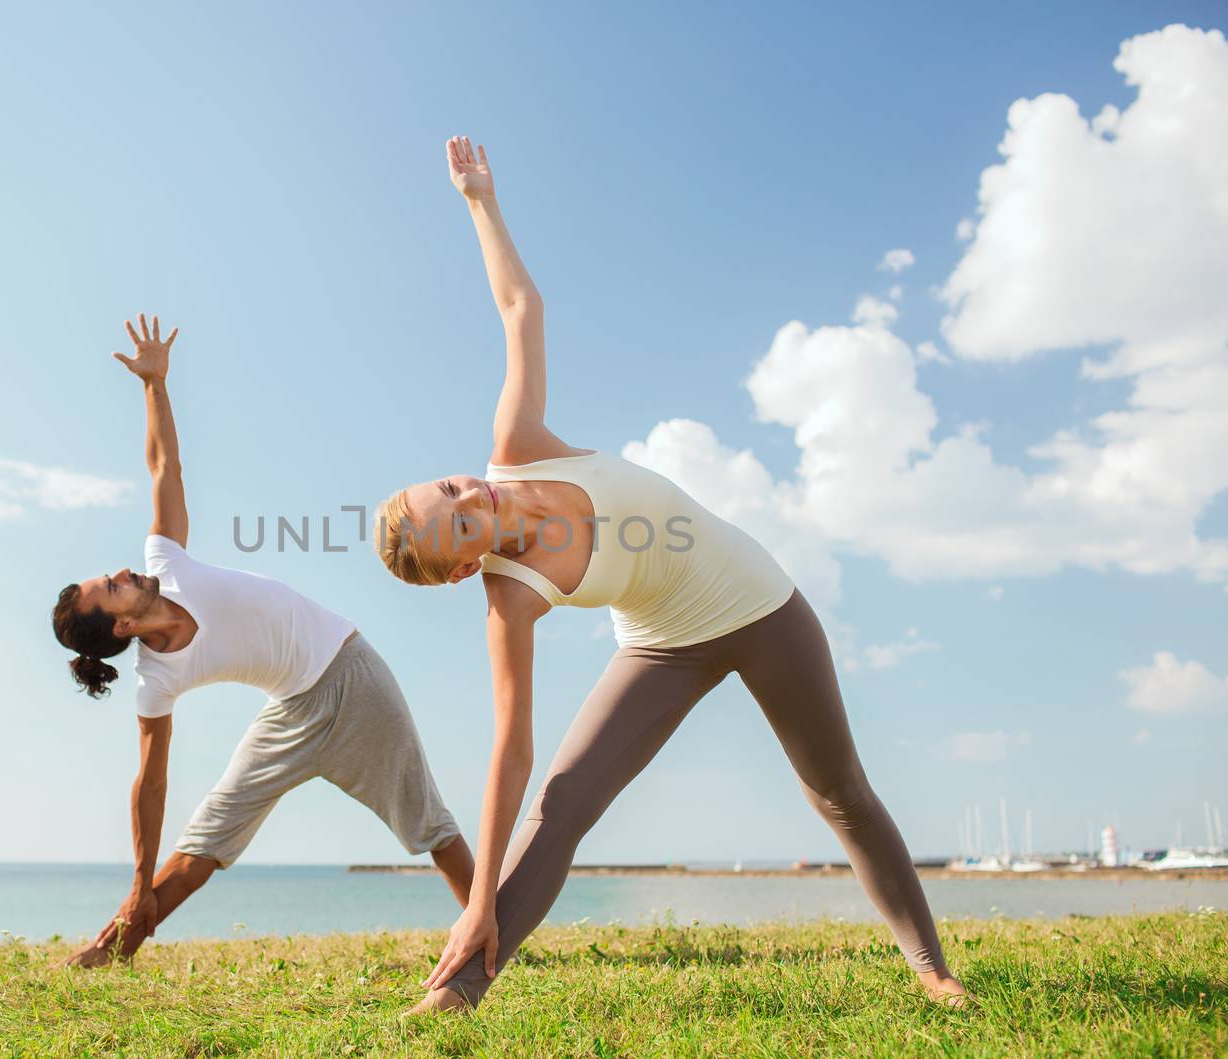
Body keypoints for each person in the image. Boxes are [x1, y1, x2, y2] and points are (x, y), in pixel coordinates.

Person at [375, 139, 969, 1012]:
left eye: (451, 486)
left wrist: (478, 201)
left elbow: (519, 306)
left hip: (759, 604)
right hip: (663, 645)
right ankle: (459, 988)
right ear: (464, 564)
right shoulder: (509, 597)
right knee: (565, 799)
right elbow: (511, 749)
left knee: (838, 792)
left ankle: (935, 972)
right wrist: (476, 899)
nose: (472, 497)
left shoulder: (517, 448)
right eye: (458, 521)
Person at [53, 313, 474, 967]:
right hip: (290, 713)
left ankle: (492, 929)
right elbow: (151, 782)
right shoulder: (154, 681)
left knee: (430, 825)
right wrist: (139, 882)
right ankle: (111, 951)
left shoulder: (166, 560)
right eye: (113, 585)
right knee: (202, 844)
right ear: (123, 626)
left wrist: (154, 385)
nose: (124, 571)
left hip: (350, 673)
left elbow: (165, 464)